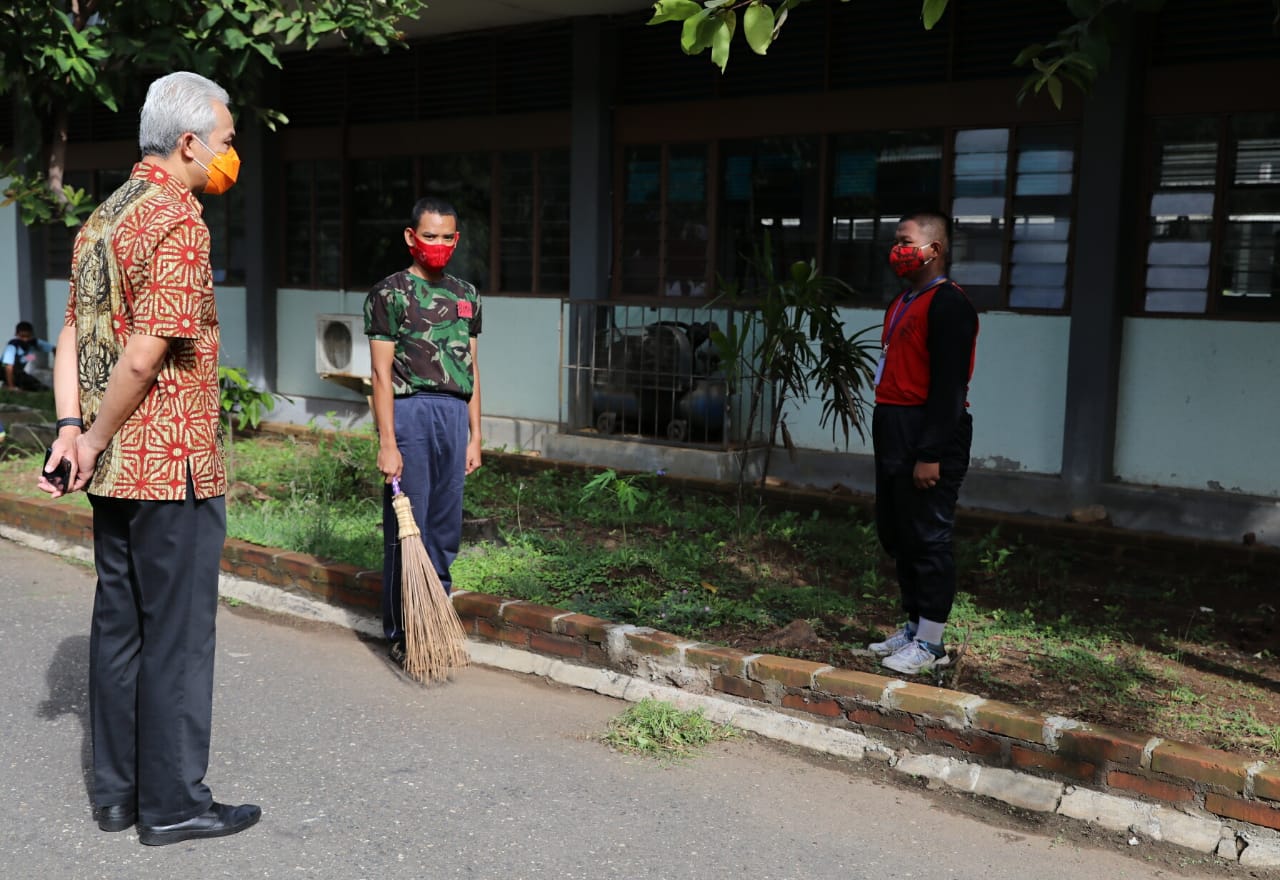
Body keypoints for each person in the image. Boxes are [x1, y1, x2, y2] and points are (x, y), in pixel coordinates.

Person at [39, 71, 261, 846]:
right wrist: (93, 436)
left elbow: (71, 333)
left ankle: (116, 795)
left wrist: (72, 431)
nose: (232, 155)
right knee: (177, 635)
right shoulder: (177, 219)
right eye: (228, 142)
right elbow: (143, 353)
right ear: (190, 142)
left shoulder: (103, 216)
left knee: (119, 627)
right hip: (173, 465)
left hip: (114, 472)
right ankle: (173, 804)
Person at [365, 196, 483, 669]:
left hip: (454, 415)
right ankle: (402, 628)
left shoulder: (467, 294)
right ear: (411, 238)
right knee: (406, 526)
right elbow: (379, 374)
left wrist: (476, 433)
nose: (437, 244)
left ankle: (435, 615)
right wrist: (388, 442)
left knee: (444, 526)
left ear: (456, 239)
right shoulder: (388, 294)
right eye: (428, 236)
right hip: (410, 412)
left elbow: (472, 366)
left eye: (446, 237)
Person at [868, 211, 979, 676]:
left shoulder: (948, 304)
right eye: (895, 240)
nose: (897, 248)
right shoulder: (903, 302)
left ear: (933, 250)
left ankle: (931, 642)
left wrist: (931, 451)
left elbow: (949, 387)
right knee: (899, 532)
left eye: (905, 240)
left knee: (929, 535)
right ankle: (914, 626)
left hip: (928, 431)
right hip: (894, 426)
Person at [3, 320, 56, 390]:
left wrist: (56, 366)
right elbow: (8, 368)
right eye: (22, 336)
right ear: (16, 334)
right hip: (6, 372)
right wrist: (11, 387)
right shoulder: (12, 346)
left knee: (39, 387)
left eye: (28, 336)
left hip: (19, 372)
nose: (25, 339)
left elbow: (54, 349)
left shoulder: (34, 343)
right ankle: (8, 385)